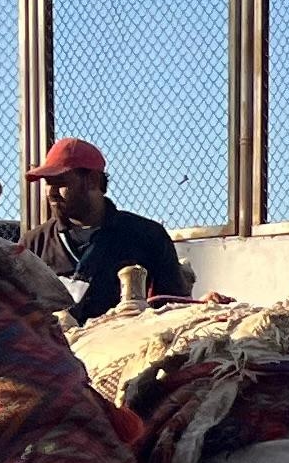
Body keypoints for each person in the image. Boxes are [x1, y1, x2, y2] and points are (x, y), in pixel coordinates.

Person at [23, 137, 187, 325]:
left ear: (92, 180)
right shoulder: (33, 244)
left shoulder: (147, 236)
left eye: (60, 182)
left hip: (129, 349)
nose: (50, 192)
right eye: (47, 182)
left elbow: (174, 308)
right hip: (52, 351)